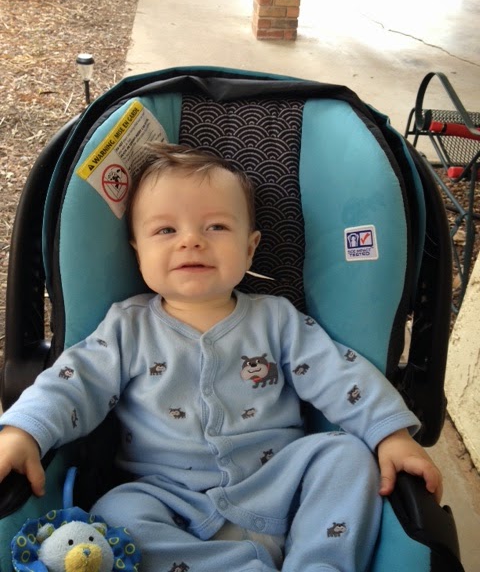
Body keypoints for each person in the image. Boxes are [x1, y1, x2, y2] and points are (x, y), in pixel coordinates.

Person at [0, 144, 442, 572]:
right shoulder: (126, 328)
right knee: (113, 516)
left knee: (346, 456)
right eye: (166, 231)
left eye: (216, 227)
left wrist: (391, 435)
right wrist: (24, 431)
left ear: (250, 248)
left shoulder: (277, 319)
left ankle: (318, 563)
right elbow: (73, 383)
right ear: (138, 251)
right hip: (166, 496)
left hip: (279, 485)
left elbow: (338, 374)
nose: (191, 241)